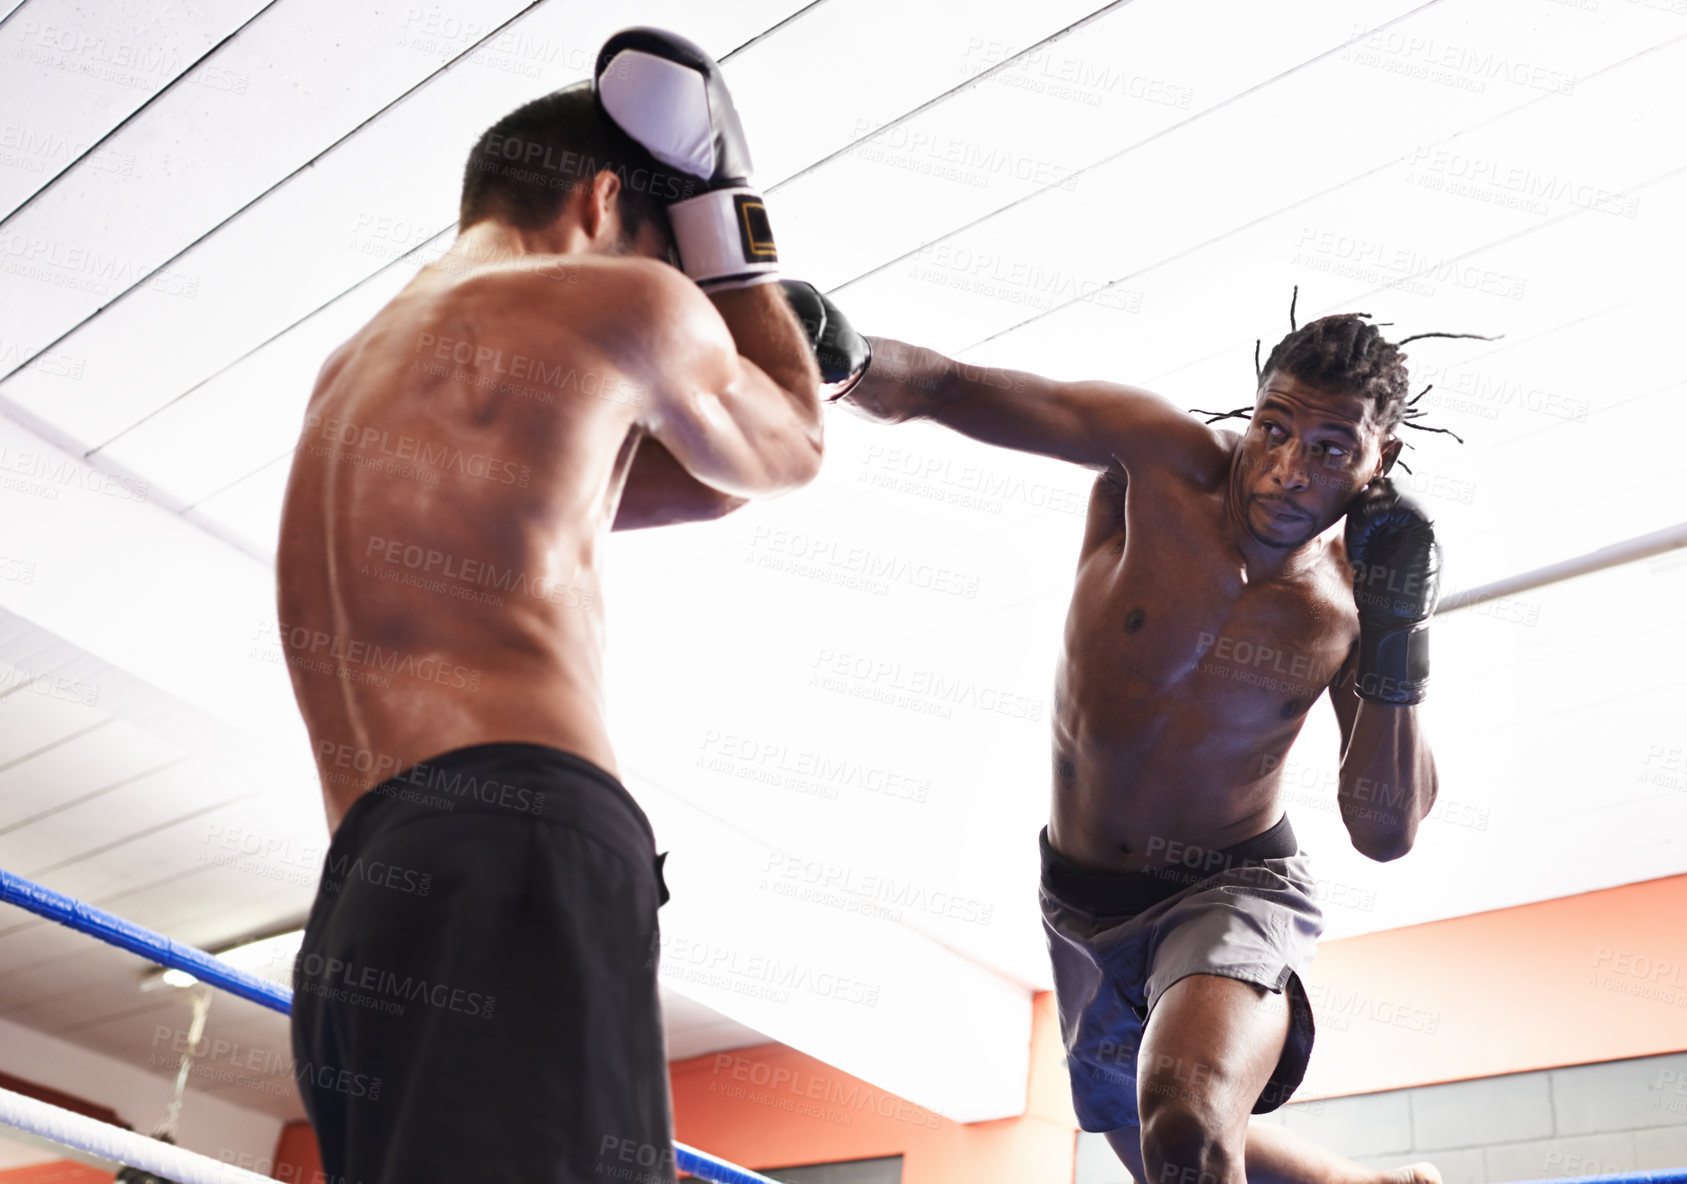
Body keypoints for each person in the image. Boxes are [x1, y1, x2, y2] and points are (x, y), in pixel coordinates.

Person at [278, 28, 862, 1183]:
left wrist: (771, 355)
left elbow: (692, 487)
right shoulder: (625, 298)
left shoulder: (351, 370)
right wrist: (730, 238)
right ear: (606, 199)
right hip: (523, 839)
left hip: (369, 893)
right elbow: (785, 448)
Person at [840, 313, 1445, 1184]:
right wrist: (834, 353)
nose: (1284, 471)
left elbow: (1384, 832)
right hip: (1077, 902)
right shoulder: (1156, 460)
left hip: (1230, 884)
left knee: (1187, 1123)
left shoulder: (1356, 599)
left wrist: (1398, 638)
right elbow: (940, 386)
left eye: (1328, 449)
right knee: (1153, 1143)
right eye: (1274, 428)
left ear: (1377, 461)